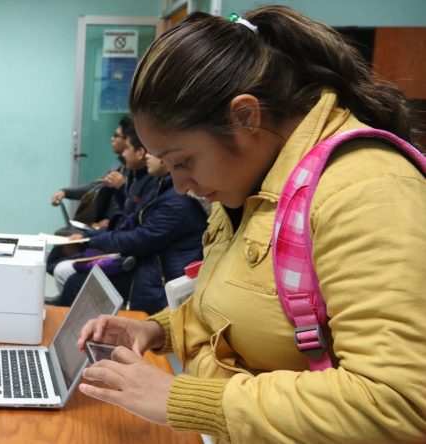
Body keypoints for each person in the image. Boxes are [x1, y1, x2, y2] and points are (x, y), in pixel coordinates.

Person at [76, 6, 426, 442]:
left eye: (184, 161)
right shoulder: (251, 181)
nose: (181, 185)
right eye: (168, 165)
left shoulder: (368, 189)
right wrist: (156, 329)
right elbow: (238, 304)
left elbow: (398, 401)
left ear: (245, 117)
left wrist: (183, 399)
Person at [52, 152, 206, 313]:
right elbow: (130, 224)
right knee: (70, 271)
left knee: (76, 283)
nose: (146, 156)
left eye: (151, 152)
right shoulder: (161, 188)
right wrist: (88, 237)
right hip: (146, 261)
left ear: (167, 158)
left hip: (159, 275)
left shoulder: (176, 200)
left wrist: (89, 241)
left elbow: (140, 239)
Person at [50, 116, 133, 230]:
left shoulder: (136, 171)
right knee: (63, 235)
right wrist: (65, 192)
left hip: (117, 228)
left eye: (116, 135)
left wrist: (107, 225)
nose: (111, 138)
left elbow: (133, 209)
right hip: (106, 225)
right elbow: (97, 186)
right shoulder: (118, 164)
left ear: (128, 140)